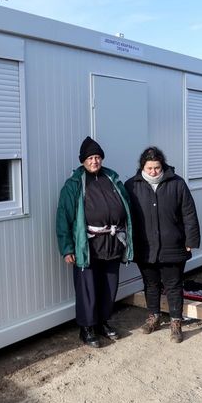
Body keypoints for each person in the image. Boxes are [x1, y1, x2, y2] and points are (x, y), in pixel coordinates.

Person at [56, 136, 133, 348]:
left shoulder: (112, 178)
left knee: (109, 286)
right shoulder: (73, 185)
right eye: (90, 157)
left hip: (112, 243)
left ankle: (103, 322)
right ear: (83, 160)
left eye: (97, 157)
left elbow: (126, 206)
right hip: (87, 245)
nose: (94, 161)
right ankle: (87, 328)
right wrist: (67, 248)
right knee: (87, 289)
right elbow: (63, 218)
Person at [125, 146, 200, 343]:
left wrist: (191, 240)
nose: (153, 172)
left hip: (173, 243)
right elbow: (126, 217)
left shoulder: (177, 183)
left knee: (174, 285)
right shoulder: (132, 185)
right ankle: (154, 317)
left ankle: (176, 322)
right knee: (150, 284)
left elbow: (189, 213)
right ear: (142, 167)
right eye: (149, 168)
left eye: (157, 167)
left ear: (162, 165)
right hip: (145, 246)